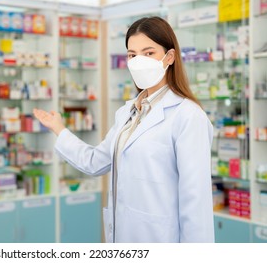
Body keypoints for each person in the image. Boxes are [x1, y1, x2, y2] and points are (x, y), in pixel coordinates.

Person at [33, 16, 214, 243]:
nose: (139, 61)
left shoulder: (188, 116)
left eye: (149, 53)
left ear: (169, 57)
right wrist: (59, 129)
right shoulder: (127, 112)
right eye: (132, 55)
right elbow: (95, 161)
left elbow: (196, 203)